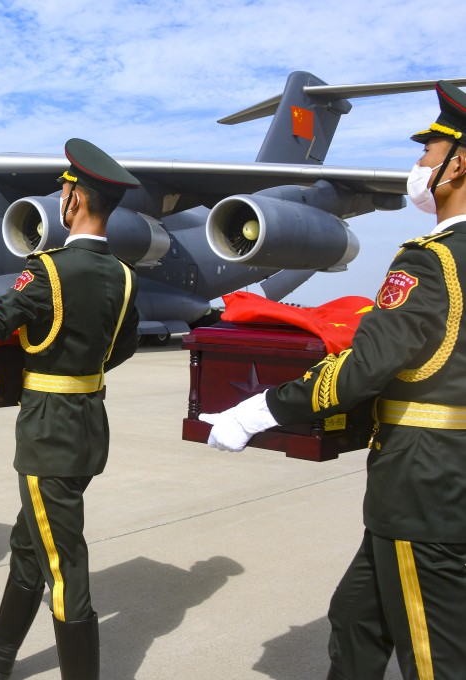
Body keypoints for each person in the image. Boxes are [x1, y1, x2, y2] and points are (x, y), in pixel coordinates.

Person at [200, 80, 466, 679]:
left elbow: (367, 365)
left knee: (434, 655)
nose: (419, 165)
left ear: (459, 165)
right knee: (355, 620)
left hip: (424, 488)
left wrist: (260, 410)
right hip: (439, 484)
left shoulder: (431, 260)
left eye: (429, 152)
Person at [0, 138, 141, 680]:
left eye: (64, 190)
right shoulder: (124, 276)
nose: (61, 198)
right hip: (88, 428)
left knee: (64, 566)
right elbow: (123, 346)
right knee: (28, 541)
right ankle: (1, 650)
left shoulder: (50, 272)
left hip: (49, 435)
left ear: (75, 199)